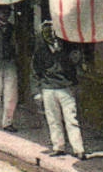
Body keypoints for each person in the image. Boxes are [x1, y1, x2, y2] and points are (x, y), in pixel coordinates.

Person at [33, 20, 86, 159]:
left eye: (53, 32)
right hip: (48, 88)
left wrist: (63, 52)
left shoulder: (67, 49)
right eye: (47, 33)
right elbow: (35, 71)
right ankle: (58, 146)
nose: (50, 35)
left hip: (65, 88)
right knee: (53, 119)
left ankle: (78, 149)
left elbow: (75, 63)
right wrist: (37, 92)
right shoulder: (40, 52)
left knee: (71, 119)